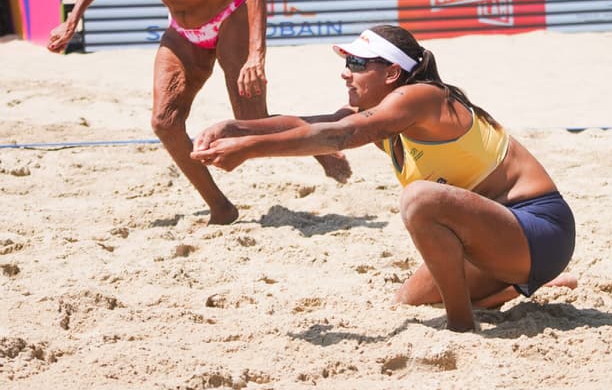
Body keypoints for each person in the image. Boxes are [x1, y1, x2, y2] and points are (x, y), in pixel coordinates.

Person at [190, 24, 577, 332]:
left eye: (358, 64)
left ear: (393, 72)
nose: (346, 73)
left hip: (538, 230)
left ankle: (462, 326)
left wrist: (249, 150)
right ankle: (515, 286)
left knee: (420, 199)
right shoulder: (389, 114)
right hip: (496, 239)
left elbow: (339, 136)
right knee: (409, 299)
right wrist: (236, 128)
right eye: (347, 63)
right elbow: (310, 124)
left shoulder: (421, 97)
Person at [47, 0, 349, 224]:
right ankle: (220, 207)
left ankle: (321, 138)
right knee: (164, 122)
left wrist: (257, 57)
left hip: (229, 18)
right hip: (184, 31)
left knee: (251, 122)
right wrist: (73, 19)